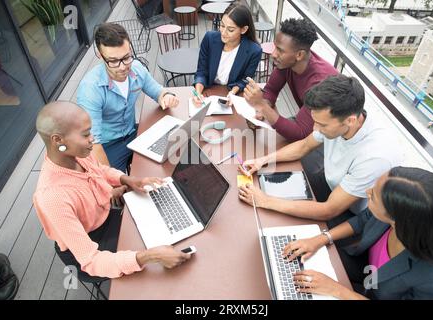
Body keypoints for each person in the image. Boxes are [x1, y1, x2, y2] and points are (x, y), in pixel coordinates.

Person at [33, 101, 191, 279]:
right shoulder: (52, 197)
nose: (92, 138)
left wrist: (128, 179)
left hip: (106, 218)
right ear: (58, 140)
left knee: (165, 229)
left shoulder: (75, 154)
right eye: (85, 134)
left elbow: (100, 170)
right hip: (91, 246)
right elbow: (91, 261)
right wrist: (150, 256)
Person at [238, 75, 402, 228]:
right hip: (332, 184)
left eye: (322, 125)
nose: (315, 129)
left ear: (350, 121)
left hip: (355, 216)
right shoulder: (341, 118)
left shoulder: (374, 157)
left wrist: (264, 201)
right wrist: (263, 160)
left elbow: (329, 210)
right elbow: (304, 145)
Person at [282, 167, 433, 299]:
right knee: (295, 265)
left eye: (373, 196)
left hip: (371, 293)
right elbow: (362, 220)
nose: (368, 191)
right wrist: (320, 239)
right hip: (364, 268)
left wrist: (337, 290)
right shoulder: (400, 218)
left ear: (397, 219)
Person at [77, 23, 179, 172]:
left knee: (170, 157)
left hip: (133, 133)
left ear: (130, 49)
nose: (122, 66)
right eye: (113, 61)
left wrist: (167, 96)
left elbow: (158, 91)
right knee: (118, 187)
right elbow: (93, 143)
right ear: (100, 54)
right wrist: (110, 177)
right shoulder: (90, 88)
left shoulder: (137, 68)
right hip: (108, 145)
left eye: (126, 57)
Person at [244, 18, 338, 142]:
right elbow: (271, 90)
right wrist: (262, 111)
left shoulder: (319, 82)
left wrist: (261, 105)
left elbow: (301, 133)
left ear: (299, 55)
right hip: (308, 122)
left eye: (280, 50)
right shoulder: (287, 62)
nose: (273, 54)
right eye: (275, 47)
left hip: (331, 138)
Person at [192, 3, 262, 107]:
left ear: (243, 30)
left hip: (232, 93)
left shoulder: (254, 51)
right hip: (208, 90)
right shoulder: (209, 39)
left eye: (230, 29)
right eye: (222, 25)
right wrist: (198, 93)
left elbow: (244, 80)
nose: (223, 32)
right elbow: (202, 72)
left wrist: (232, 93)